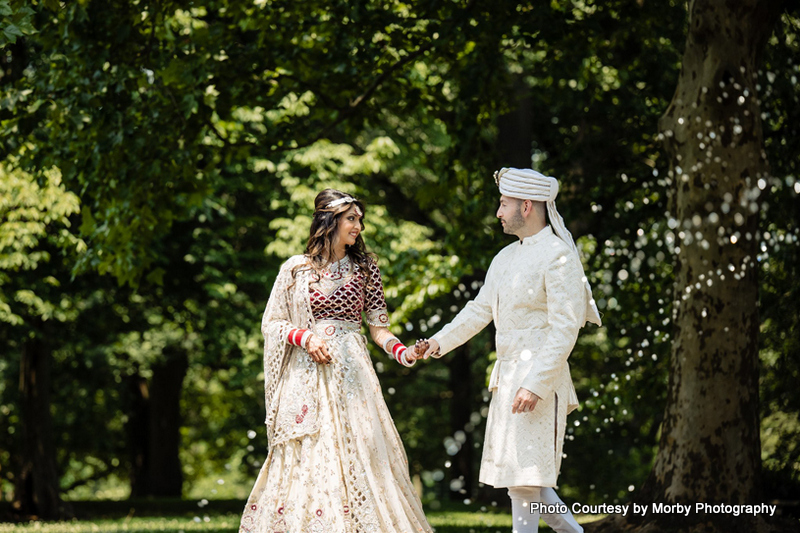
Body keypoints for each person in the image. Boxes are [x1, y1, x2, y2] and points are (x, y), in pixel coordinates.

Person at [414, 168, 602, 533]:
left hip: (540, 379)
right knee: (524, 481)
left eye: (503, 204)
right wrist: (438, 342)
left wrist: (536, 383)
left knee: (526, 480)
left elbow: (566, 327)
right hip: (508, 377)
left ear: (527, 206)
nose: (498, 212)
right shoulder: (503, 259)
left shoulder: (558, 255)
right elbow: (479, 310)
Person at [240, 189, 432, 533]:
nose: (359, 226)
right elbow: (272, 322)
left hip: (352, 373)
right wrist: (307, 337)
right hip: (305, 375)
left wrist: (405, 353)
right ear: (329, 221)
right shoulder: (295, 269)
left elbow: (379, 329)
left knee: (362, 447)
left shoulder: (365, 268)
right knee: (310, 450)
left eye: (360, 219)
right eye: (351, 219)